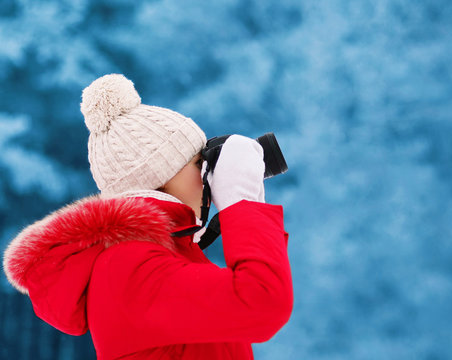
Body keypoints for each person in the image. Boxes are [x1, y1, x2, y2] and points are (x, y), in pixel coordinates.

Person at [3, 74, 293, 359]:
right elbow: (262, 302)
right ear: (162, 177)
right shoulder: (130, 266)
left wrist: (248, 201)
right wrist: (241, 201)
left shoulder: (159, 257)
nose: (207, 176)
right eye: (198, 162)